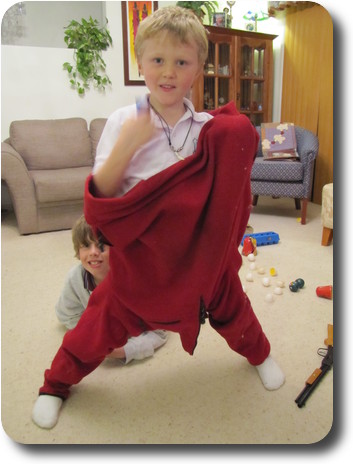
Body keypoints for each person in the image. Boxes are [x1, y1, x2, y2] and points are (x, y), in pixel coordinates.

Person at [32, 6, 284, 430]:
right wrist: (128, 146)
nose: (168, 73)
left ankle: (261, 356)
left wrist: (222, 253)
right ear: (141, 63)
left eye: (182, 62)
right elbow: (100, 202)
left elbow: (226, 195)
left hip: (202, 265)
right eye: (157, 60)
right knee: (92, 331)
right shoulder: (122, 122)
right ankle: (54, 386)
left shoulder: (207, 129)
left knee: (237, 314)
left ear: (199, 69)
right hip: (143, 268)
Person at [55, 214, 168, 363]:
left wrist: (122, 351)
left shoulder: (137, 280)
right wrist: (89, 337)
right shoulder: (75, 278)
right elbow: (66, 314)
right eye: (85, 246)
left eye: (101, 246)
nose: (93, 252)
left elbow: (159, 333)